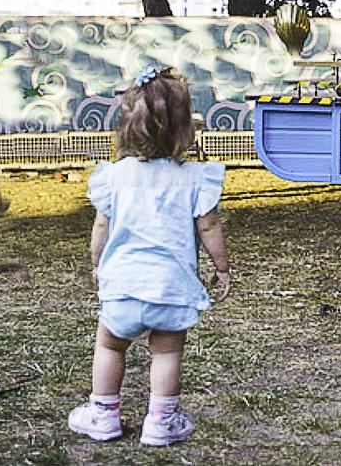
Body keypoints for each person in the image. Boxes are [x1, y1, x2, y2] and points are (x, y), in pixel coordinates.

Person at [68, 66, 230, 447]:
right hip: (169, 287)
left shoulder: (115, 176)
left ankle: (104, 414)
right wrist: (221, 268)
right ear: (184, 129)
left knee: (109, 344)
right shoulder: (194, 178)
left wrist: (96, 265)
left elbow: (101, 228)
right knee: (167, 352)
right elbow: (208, 227)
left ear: (127, 126)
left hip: (123, 284)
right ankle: (161, 420)